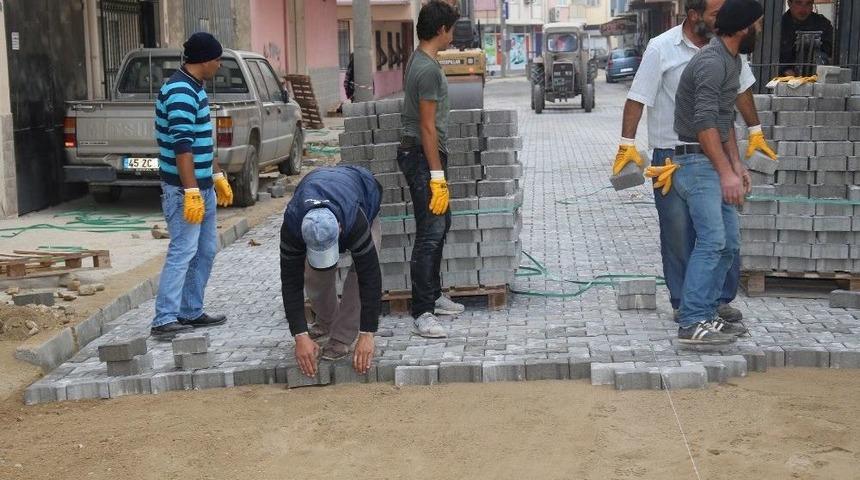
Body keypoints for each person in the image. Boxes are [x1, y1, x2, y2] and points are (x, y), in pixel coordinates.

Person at [615, 0, 776, 325]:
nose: (723, 21)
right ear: (694, 16)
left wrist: (755, 132)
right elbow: (638, 96)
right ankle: (683, 303)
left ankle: (714, 302)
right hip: (671, 157)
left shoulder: (728, 51)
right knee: (678, 234)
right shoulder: (661, 48)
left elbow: (739, 94)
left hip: (710, 155)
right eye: (716, 15)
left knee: (720, 236)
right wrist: (626, 145)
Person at [671, 0, 763, 344]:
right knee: (712, 242)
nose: (759, 30)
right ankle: (692, 321)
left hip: (711, 162)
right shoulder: (711, 63)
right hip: (696, 163)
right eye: (757, 24)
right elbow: (705, 123)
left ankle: (707, 314)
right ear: (742, 28)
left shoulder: (732, 60)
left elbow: (724, 122)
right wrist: (725, 173)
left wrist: (736, 166)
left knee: (728, 244)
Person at [150, 32, 233, 340]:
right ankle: (164, 318)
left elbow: (202, 143)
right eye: (217, 60)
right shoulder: (180, 92)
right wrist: (191, 191)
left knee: (206, 250)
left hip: (202, 187)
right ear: (204, 60)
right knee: (183, 250)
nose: (219, 65)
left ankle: (190, 310)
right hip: (184, 190)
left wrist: (216, 176)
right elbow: (182, 148)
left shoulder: (196, 87)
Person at [398, 0, 464, 339]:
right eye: (450, 28)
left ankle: (434, 296)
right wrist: (437, 176)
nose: (452, 34)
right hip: (423, 157)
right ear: (441, 30)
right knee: (429, 232)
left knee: (441, 223)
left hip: (426, 155)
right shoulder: (427, 70)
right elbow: (426, 127)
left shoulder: (422, 59)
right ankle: (422, 311)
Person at [279, 166, 382, 378]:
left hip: (361, 193)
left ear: (340, 229)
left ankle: (343, 337)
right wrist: (300, 335)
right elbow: (291, 282)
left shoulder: (356, 221)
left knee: (358, 278)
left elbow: (369, 278)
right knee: (313, 273)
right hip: (322, 188)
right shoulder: (292, 224)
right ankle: (326, 322)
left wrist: (367, 333)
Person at [779, 0, 834, 76]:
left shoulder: (823, 24)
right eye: (798, 3)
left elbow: (834, 52)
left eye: (808, 3)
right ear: (789, 3)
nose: (803, 9)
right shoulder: (778, 26)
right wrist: (783, 70)